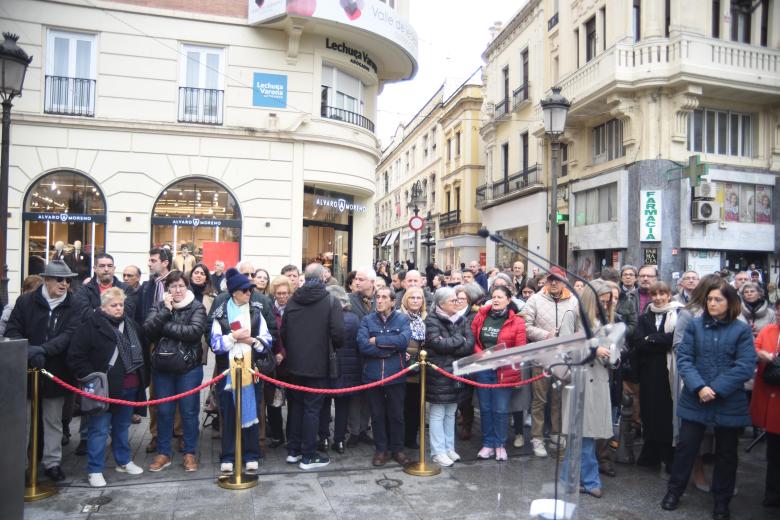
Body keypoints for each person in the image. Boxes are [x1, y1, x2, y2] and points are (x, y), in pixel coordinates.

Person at [662, 280, 756, 520]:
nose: (712, 303)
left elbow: (744, 366)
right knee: (686, 448)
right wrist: (700, 387)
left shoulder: (741, 330)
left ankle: (721, 502)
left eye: (718, 300)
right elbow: (684, 358)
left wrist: (715, 388)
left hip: (728, 401)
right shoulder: (695, 326)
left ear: (730, 303)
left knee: (726, 453)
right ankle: (674, 492)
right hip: (695, 398)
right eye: (710, 299)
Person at [5, 260, 79, 483]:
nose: (64, 283)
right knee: (24, 420)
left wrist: (44, 350)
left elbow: (70, 334)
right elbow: (13, 329)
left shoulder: (74, 305)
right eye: (59, 279)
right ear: (46, 280)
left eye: (67, 280)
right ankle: (23, 466)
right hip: (26, 369)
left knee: (53, 419)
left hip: (56, 371)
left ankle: (52, 462)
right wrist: (28, 351)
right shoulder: (26, 301)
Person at [67, 287, 146, 487]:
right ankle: (94, 469)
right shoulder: (90, 326)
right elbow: (76, 356)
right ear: (103, 307)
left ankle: (123, 460)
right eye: (114, 305)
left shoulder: (131, 325)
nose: (119, 309)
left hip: (129, 386)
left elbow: (141, 352)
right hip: (104, 389)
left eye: (121, 305)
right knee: (99, 429)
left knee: (122, 427)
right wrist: (92, 379)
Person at [143, 271, 207, 473]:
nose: (177, 290)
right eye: (173, 286)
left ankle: (189, 452)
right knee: (164, 412)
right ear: (168, 289)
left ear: (186, 287)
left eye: (181, 285)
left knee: (189, 412)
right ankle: (163, 453)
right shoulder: (160, 306)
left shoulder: (197, 306)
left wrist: (165, 326)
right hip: (162, 369)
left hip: (189, 368)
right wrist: (165, 312)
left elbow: (194, 332)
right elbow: (148, 330)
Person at [210, 268, 273, 474]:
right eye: (245, 290)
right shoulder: (220, 315)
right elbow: (215, 345)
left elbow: (267, 341)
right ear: (234, 292)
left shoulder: (256, 313)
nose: (249, 294)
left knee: (252, 411)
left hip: (250, 370)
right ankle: (228, 456)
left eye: (250, 290)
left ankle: (251, 454)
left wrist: (252, 340)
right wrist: (234, 337)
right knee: (228, 414)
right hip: (227, 372)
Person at [281, 263, 344, 470]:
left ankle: (293, 450)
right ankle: (308, 455)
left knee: (297, 407)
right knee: (312, 409)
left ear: (304, 278)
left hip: (295, 364)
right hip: (319, 364)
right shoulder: (330, 301)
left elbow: (284, 332)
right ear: (323, 278)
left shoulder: (292, 302)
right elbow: (338, 334)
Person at [560, 280, 617, 498]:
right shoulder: (572, 315)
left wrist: (611, 355)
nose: (605, 305)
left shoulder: (607, 320)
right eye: (601, 301)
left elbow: (616, 349)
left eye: (608, 302)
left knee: (586, 435)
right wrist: (594, 350)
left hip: (600, 380)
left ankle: (570, 479)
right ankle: (589, 479)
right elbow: (564, 349)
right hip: (579, 380)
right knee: (582, 435)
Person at [524, 266, 580, 458]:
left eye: (558, 279)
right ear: (546, 280)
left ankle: (557, 434)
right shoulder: (535, 299)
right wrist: (546, 335)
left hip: (564, 358)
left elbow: (580, 327)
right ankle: (537, 438)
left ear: (565, 281)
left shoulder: (574, 301)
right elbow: (525, 325)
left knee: (559, 398)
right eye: (551, 279)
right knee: (539, 399)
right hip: (541, 356)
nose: (554, 282)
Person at [470, 285, 527, 461]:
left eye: (500, 297)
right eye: (493, 296)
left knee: (501, 409)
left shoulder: (517, 321)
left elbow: (520, 348)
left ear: (508, 300)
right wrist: (481, 354)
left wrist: (501, 359)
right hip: (483, 368)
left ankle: (500, 444)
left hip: (505, 370)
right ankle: (488, 444)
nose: (495, 300)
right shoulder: (481, 316)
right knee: (485, 408)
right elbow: (472, 338)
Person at [631, 281, 683, 470]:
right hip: (649, 372)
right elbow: (638, 342)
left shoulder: (679, 314)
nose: (659, 298)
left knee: (667, 412)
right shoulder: (645, 317)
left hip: (669, 371)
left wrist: (651, 338)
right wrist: (657, 341)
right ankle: (651, 452)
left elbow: (674, 339)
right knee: (649, 412)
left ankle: (669, 454)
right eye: (655, 294)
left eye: (663, 294)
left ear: (669, 294)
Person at [357, 286, 412, 467]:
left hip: (396, 374)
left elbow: (403, 341)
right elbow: (363, 345)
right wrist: (389, 351)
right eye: (377, 297)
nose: (379, 301)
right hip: (373, 375)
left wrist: (379, 341)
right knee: (377, 415)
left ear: (392, 301)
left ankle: (398, 449)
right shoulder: (367, 320)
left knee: (397, 414)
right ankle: (381, 449)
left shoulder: (403, 319)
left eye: (383, 297)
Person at [424, 287, 475, 467]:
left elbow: (469, 344)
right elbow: (438, 344)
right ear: (441, 303)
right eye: (453, 300)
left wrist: (456, 342)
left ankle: (448, 447)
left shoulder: (461, 319)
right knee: (438, 413)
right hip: (439, 373)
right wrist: (458, 340)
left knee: (451, 411)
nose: (457, 303)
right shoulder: (431, 320)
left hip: (455, 371)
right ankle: (438, 451)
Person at [750, 298, 780, 508]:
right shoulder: (769, 331)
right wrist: (760, 355)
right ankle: (772, 492)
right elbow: (754, 348)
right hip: (771, 398)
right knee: (774, 451)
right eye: (778, 312)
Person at [325, 285, 361, 454]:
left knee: (324, 404)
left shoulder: (324, 318)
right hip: (349, 368)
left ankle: (324, 437)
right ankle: (339, 440)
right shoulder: (354, 319)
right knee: (342, 406)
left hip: (327, 366)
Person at [345, 266, 375, 447]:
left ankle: (364, 428)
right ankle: (354, 430)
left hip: (374, 355)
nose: (356, 282)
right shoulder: (349, 299)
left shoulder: (382, 298)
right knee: (354, 395)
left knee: (369, 396)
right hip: (354, 354)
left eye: (361, 279)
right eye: (356, 279)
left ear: (371, 282)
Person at [266, 275, 293, 448]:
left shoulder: (295, 309)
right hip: (274, 362)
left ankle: (291, 435)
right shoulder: (270, 310)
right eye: (279, 293)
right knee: (273, 401)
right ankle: (277, 434)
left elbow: (296, 337)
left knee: (293, 401)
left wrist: (284, 353)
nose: (282, 296)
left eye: (285, 293)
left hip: (290, 362)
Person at [399, 286, 427, 449]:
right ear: (406, 300)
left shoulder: (425, 318)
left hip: (420, 369)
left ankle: (411, 438)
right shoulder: (398, 316)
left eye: (419, 298)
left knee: (415, 406)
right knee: (399, 407)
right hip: (402, 367)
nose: (416, 300)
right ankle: (397, 440)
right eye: (412, 297)